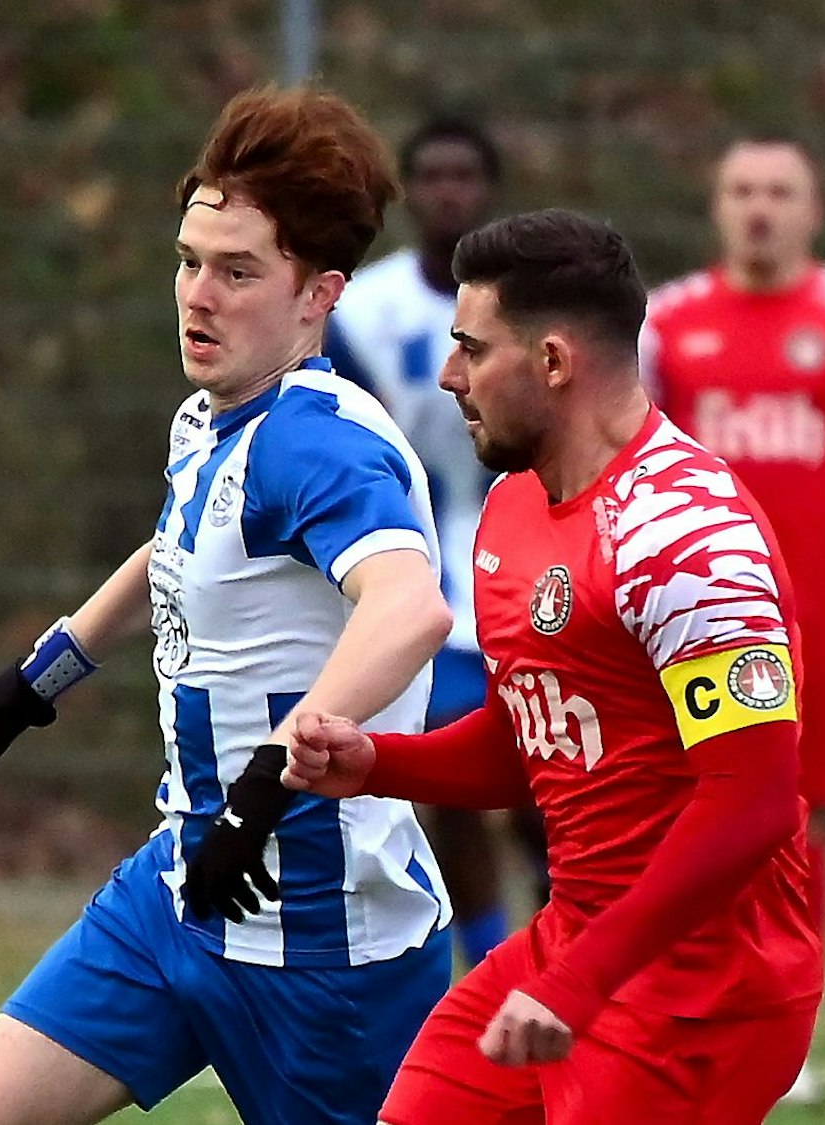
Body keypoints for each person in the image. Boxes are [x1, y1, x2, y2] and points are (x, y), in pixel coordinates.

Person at [0, 85, 456, 1125]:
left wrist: (265, 783)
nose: (198, 296)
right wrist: (27, 689)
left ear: (319, 295)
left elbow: (409, 609)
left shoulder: (317, 443)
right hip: (181, 889)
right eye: (188, 261)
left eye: (237, 272)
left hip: (325, 946)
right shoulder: (216, 418)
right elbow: (176, 551)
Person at [284, 209, 822, 1123]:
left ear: (553, 361)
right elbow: (526, 744)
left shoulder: (685, 535)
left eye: (471, 348)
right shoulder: (514, 508)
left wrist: (581, 981)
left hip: (705, 983)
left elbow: (754, 798)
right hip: (577, 941)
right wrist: (377, 762)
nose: (449, 375)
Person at [638, 133, 825, 1102]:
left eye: (778, 191)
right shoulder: (666, 323)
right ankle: (675, 1004)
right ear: (717, 206)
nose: (759, 208)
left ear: (813, 210)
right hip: (685, 612)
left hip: (811, 615)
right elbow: (620, 456)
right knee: (674, 807)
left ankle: (784, 1022)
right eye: (741, 190)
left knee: (794, 816)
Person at [326, 116, 548, 967]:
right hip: (422, 575)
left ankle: (567, 934)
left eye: (465, 175)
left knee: (549, 777)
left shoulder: (534, 306)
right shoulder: (362, 311)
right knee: (452, 775)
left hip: (533, 567)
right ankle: (490, 958)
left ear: (490, 189)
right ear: (408, 193)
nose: (449, 191)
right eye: (432, 175)